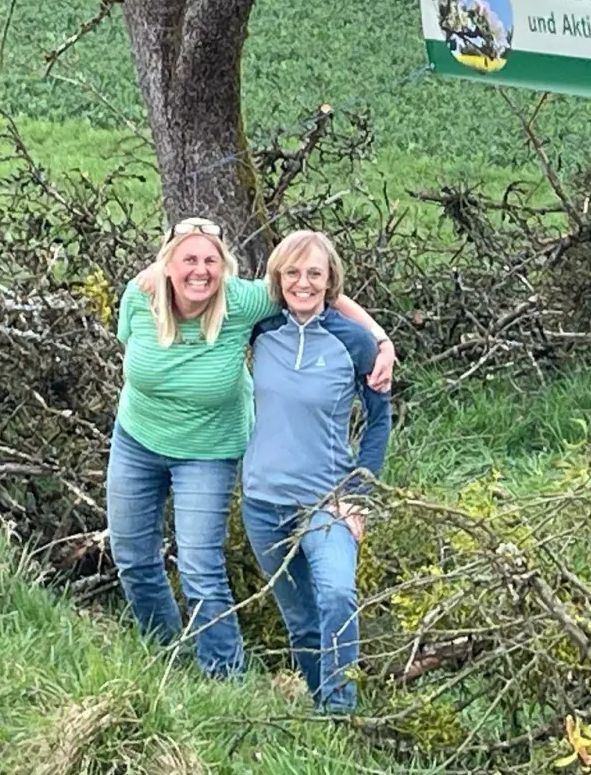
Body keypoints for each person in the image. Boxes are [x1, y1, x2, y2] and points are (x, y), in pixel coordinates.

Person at [106, 217, 395, 679]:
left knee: (199, 567)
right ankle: (167, 660)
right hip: (137, 440)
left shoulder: (241, 301)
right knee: (133, 560)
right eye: (188, 260)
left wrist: (380, 340)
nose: (199, 271)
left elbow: (313, 285)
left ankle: (224, 674)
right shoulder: (138, 297)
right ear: (167, 264)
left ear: (225, 268)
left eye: (210, 261)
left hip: (209, 449)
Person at [239, 230, 392, 714]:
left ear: (330, 283)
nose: (302, 283)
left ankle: (341, 713)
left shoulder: (354, 342)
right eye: (292, 273)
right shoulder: (260, 328)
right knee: (302, 621)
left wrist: (359, 496)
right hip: (263, 504)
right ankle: (318, 708)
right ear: (277, 279)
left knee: (337, 597)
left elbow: (378, 420)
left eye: (314, 274)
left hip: (327, 504)